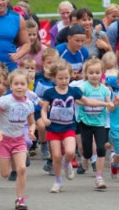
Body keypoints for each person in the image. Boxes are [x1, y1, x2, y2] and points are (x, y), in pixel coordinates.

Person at [40, 60, 112, 193]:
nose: (63, 81)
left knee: (70, 152)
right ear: (54, 78)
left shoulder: (74, 91)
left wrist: (106, 104)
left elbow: (88, 101)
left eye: (66, 78)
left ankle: (67, 164)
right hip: (54, 128)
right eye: (60, 78)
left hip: (68, 127)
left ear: (70, 76)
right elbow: (44, 109)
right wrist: (44, 119)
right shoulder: (49, 93)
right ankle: (58, 181)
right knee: (56, 155)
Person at [0, 67, 37, 210]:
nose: (19, 87)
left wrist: (32, 130)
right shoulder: (5, 101)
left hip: (19, 139)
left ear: (27, 86)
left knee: (21, 168)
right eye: (16, 84)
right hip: (4, 140)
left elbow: (32, 122)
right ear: (11, 85)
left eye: (22, 84)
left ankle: (20, 199)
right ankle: (4, 162)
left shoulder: (29, 104)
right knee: (5, 174)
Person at [77, 57, 116, 190]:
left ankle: (99, 177)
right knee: (87, 151)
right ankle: (85, 158)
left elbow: (109, 107)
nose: (94, 76)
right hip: (85, 122)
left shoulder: (105, 90)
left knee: (100, 148)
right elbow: (77, 100)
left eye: (97, 73)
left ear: (102, 73)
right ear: (86, 73)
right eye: (91, 73)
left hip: (100, 122)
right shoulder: (83, 87)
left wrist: (113, 105)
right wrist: (89, 102)